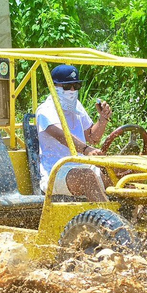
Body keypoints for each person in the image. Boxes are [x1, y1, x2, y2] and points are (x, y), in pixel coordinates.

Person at [36, 64, 112, 201]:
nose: (72, 90)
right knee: (87, 177)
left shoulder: (77, 107)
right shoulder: (45, 110)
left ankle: (134, 213)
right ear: (53, 87)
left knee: (120, 171)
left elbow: (92, 137)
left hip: (81, 166)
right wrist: (86, 149)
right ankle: (109, 218)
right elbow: (62, 136)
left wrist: (103, 118)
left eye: (75, 86)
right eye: (66, 86)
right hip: (56, 172)